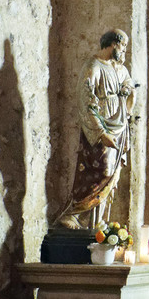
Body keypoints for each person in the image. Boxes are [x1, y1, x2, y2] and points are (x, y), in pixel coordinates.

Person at [54, 29, 137, 230]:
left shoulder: (120, 68)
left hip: (119, 126)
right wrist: (100, 132)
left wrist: (127, 90)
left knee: (113, 174)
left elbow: (129, 85)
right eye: (122, 45)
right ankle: (72, 214)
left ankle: (95, 221)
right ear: (112, 44)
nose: (124, 50)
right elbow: (85, 101)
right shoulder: (93, 67)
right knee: (101, 170)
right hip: (100, 129)